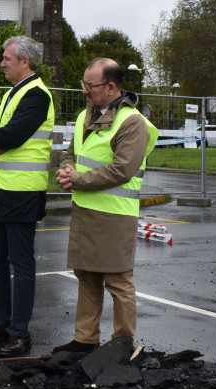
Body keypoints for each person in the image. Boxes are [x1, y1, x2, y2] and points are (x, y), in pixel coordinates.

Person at [52, 58, 158, 353]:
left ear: (111, 87)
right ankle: (85, 340)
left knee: (118, 279)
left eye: (90, 85)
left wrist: (77, 179)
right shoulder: (86, 115)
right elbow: (71, 154)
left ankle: (122, 343)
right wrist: (67, 170)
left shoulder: (132, 122)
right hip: (86, 209)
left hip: (114, 215)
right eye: (83, 85)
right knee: (86, 274)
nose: (85, 91)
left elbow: (121, 170)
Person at [0, 36, 55, 357]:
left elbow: (11, 135)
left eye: (6, 58)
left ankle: (20, 333)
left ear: (24, 62)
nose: (2, 63)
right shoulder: (11, 94)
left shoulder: (37, 95)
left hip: (23, 193)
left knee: (21, 263)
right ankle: (1, 324)